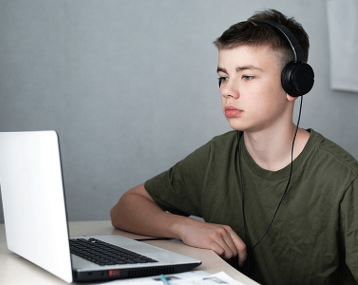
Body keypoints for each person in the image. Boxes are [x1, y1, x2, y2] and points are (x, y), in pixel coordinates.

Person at [110, 9, 358, 284]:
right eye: (223, 77)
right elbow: (124, 208)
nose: (228, 90)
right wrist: (184, 226)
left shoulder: (344, 180)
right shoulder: (216, 156)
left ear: (294, 84)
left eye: (247, 76)